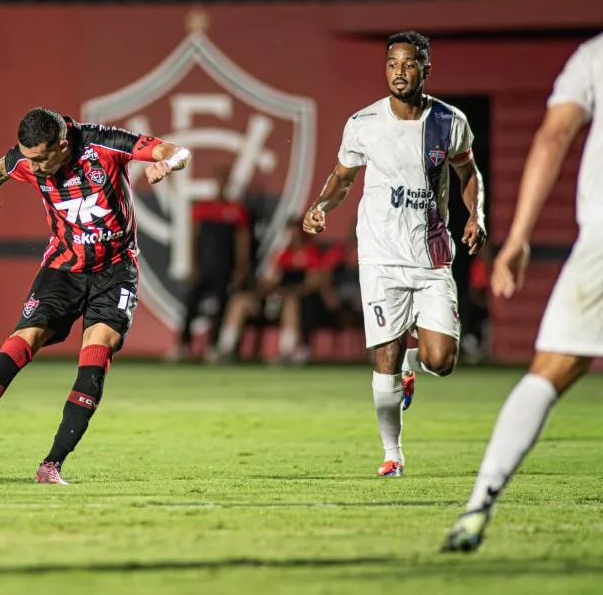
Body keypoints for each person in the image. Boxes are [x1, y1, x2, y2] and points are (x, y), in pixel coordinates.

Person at [0, 107, 191, 485]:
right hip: (62, 269)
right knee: (20, 343)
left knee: (96, 355)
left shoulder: (105, 144)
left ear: (63, 145)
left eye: (43, 158)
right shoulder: (27, 159)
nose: (37, 168)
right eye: (29, 159)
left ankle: (51, 465)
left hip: (115, 272)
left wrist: (169, 165)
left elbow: (177, 150)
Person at [443, 33, 603, 552]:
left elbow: (554, 136)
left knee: (549, 373)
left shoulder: (594, 54)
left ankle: (478, 505)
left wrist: (517, 239)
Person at [302, 31, 488, 477]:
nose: (398, 72)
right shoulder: (363, 123)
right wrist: (321, 206)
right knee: (382, 353)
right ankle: (393, 453)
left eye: (408, 64)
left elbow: (468, 173)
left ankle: (414, 362)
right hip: (381, 256)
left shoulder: (450, 121)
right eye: (391, 64)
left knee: (440, 361)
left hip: (432, 256)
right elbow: (342, 177)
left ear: (426, 69)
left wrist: (475, 215)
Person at [167, 166, 250, 363]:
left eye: (225, 180)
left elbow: (242, 241)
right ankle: (183, 346)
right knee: (191, 305)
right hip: (204, 266)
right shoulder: (202, 208)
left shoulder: (237, 210)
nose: (222, 184)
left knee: (221, 307)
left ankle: (214, 347)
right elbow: (194, 238)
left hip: (225, 268)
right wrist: (193, 265)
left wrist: (240, 266)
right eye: (219, 180)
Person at [213, 216, 321, 363]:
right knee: (239, 301)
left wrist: (291, 291)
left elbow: (313, 282)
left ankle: (286, 352)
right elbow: (271, 280)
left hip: (298, 300)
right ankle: (225, 348)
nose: (292, 235)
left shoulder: (310, 253)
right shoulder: (281, 255)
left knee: (290, 302)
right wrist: (261, 292)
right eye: (289, 231)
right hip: (275, 298)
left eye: (295, 230)